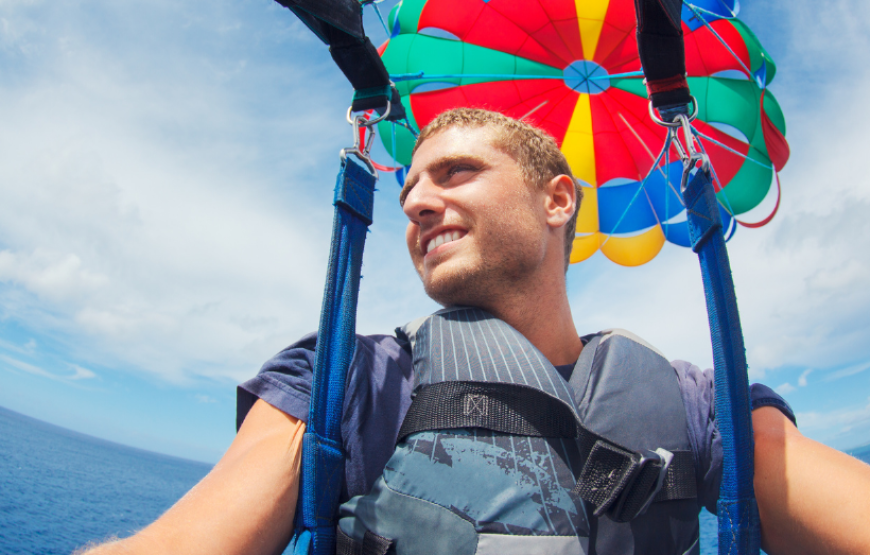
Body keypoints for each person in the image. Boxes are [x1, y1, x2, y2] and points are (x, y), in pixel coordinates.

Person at [79, 109, 870, 555]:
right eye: (411, 185)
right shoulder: (350, 380)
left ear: (558, 200)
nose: (418, 200)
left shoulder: (698, 402)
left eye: (456, 172)